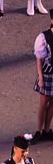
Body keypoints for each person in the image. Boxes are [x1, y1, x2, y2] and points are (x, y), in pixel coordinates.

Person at [35, 11, 53, 139]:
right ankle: (39, 131)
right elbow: (39, 60)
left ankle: (47, 130)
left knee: (52, 104)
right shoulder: (44, 37)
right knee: (43, 103)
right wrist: (40, 77)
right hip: (47, 74)